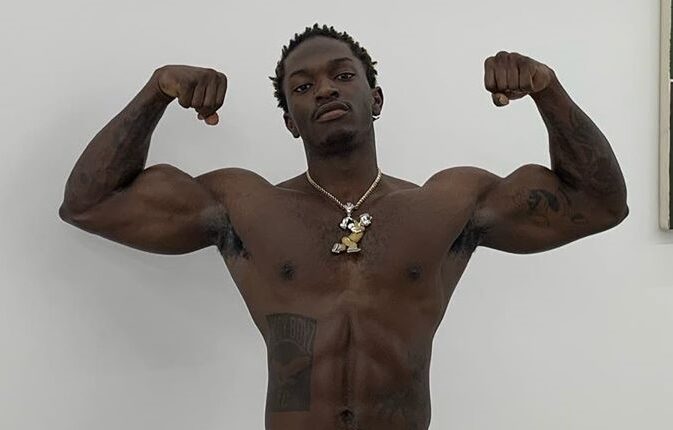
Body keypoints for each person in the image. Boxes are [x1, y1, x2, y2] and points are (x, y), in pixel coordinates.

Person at [59, 23, 628, 430]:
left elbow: (599, 204)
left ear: (374, 98)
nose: (325, 89)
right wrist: (156, 91)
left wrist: (547, 90)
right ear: (290, 121)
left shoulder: (448, 204)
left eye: (342, 75)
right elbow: (90, 204)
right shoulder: (245, 205)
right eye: (302, 87)